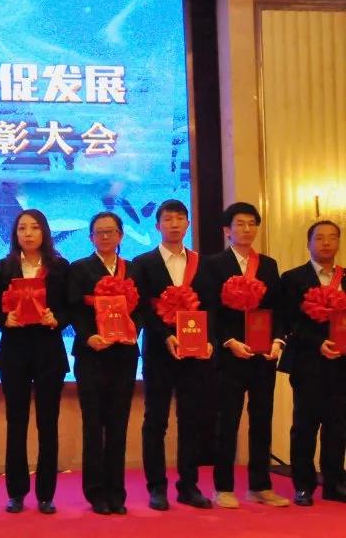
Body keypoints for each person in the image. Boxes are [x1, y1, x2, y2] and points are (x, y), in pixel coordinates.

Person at [200, 202, 288, 509]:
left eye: (252, 223)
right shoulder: (213, 264)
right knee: (228, 420)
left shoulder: (268, 265)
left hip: (264, 355)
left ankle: (260, 486)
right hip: (231, 355)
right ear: (228, 230)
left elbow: (278, 309)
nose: (247, 229)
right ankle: (223, 487)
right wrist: (228, 341)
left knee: (262, 418)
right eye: (240, 224)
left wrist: (278, 341)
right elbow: (209, 309)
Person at [132, 200, 214, 510]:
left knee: (191, 419)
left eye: (180, 218)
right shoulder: (143, 263)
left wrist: (210, 341)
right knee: (156, 419)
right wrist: (165, 335)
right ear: (157, 226)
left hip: (195, 352)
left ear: (188, 224)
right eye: (168, 219)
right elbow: (141, 308)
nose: (174, 224)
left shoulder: (202, 263)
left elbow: (211, 307)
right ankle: (157, 487)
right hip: (159, 350)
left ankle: (188, 486)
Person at [0, 209, 70, 515]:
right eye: (22, 228)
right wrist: (4, 320)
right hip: (15, 352)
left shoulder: (59, 267)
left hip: (49, 352)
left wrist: (57, 319)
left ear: (44, 232)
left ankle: (46, 494)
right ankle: (16, 493)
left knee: (48, 423)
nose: (28, 233)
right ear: (15, 234)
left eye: (34, 227)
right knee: (16, 422)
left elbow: (70, 307)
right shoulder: (3, 267)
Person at [68, 211, 142, 515]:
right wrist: (89, 337)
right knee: (93, 423)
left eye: (111, 231)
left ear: (121, 235)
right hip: (92, 355)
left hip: (124, 354)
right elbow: (74, 308)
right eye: (99, 232)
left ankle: (117, 492)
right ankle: (95, 492)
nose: (105, 236)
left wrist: (133, 331)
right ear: (91, 238)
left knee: (118, 424)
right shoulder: (79, 268)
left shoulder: (134, 269)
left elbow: (142, 309)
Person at [278, 219, 346, 506]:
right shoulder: (293, 278)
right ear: (309, 243)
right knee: (305, 425)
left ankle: (334, 483)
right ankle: (303, 485)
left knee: (338, 425)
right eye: (320, 238)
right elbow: (289, 321)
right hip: (308, 363)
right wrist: (318, 343)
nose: (326, 243)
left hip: (342, 364)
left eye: (332, 237)